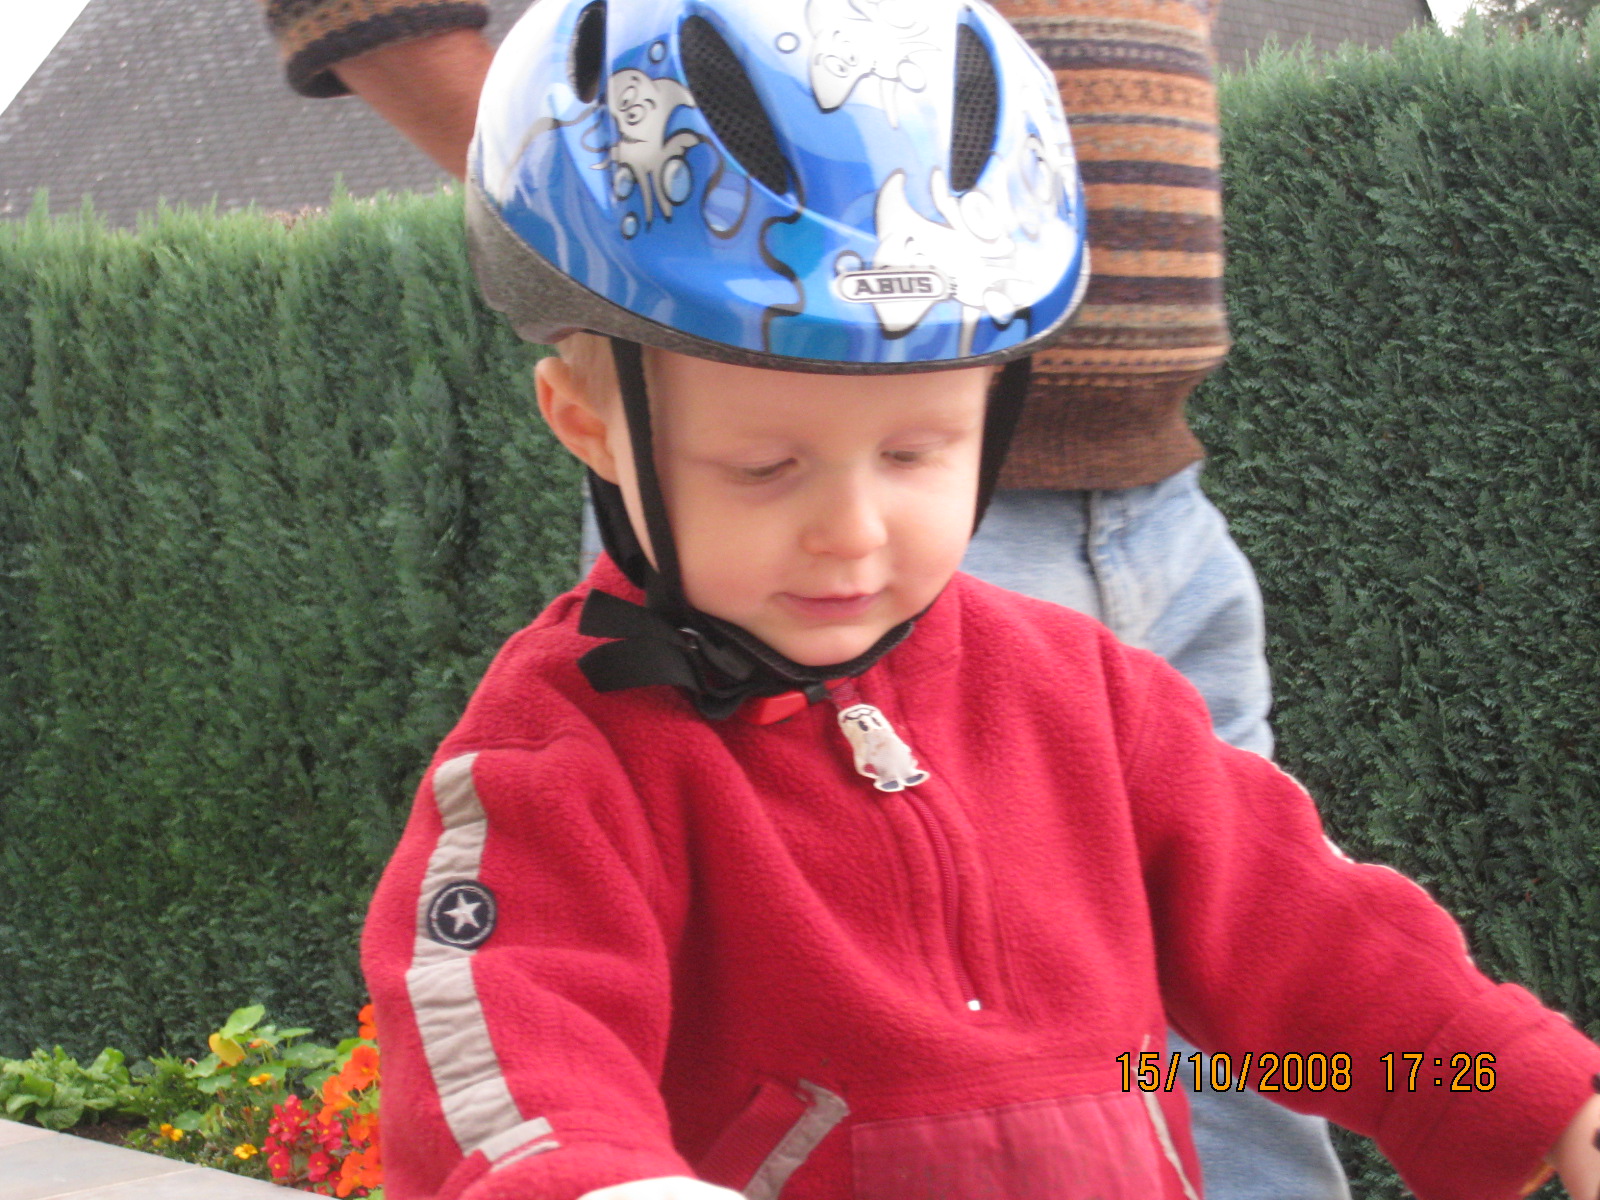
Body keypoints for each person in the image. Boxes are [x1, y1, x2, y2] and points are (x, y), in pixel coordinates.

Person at [338, 3, 1600, 1199]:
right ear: (585, 424)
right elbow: (501, 1045)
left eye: (916, 452)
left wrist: (1518, 1090)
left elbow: (1307, 939)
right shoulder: (555, 764)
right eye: (763, 467)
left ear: (998, 410)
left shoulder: (1090, 699)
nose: (852, 530)